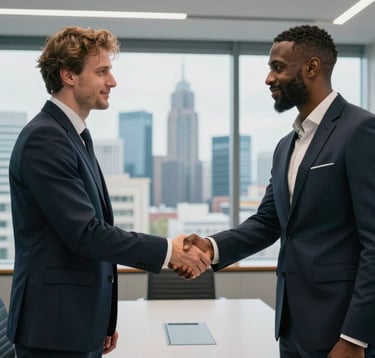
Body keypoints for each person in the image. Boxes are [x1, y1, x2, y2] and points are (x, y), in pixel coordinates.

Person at [7, 26, 210, 358]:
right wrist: (168, 251)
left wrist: (101, 320)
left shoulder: (73, 136)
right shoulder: (45, 139)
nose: (112, 82)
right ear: (68, 75)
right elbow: (86, 234)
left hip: (76, 323)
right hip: (53, 330)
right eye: (102, 71)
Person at [177, 25, 375, 357]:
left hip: (341, 331)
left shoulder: (360, 130)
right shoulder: (286, 146)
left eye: (278, 67)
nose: (269, 79)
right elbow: (269, 221)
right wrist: (211, 247)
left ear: (312, 68)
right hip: (291, 326)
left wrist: (355, 337)